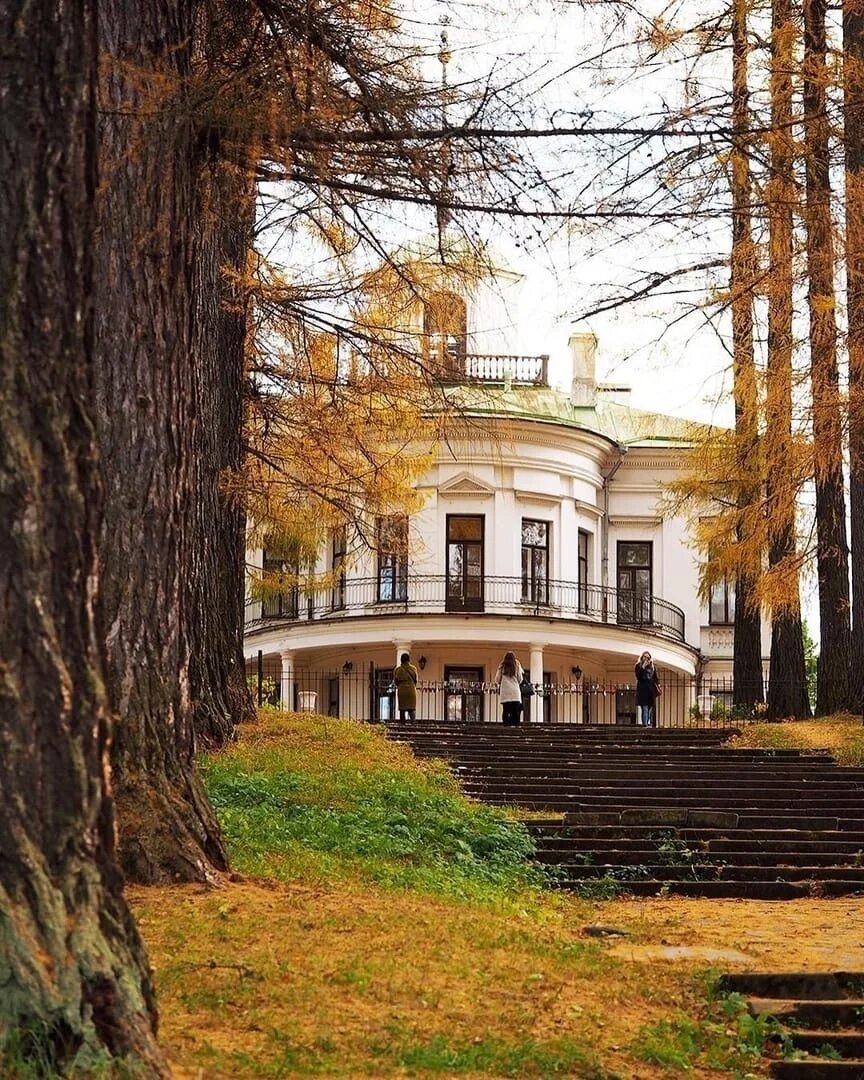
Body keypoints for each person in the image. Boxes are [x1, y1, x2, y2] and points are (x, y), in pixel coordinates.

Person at [495, 651, 525, 726]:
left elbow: (497, 680)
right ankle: (515, 728)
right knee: (515, 712)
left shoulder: (502, 666)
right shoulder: (517, 665)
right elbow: (520, 679)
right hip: (515, 692)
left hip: (505, 693)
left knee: (506, 711)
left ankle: (506, 727)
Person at [634, 650, 661, 727]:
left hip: (650, 689)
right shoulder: (638, 666)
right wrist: (643, 667)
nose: (646, 659)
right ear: (642, 657)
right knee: (644, 707)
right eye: (645, 657)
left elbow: (655, 677)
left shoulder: (652, 667)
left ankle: (647, 723)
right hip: (642, 689)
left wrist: (658, 685)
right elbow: (638, 676)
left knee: (649, 708)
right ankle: (645, 725)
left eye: (648, 657)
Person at [394, 652, 418, 721]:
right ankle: (413, 724)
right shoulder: (413, 668)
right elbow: (416, 680)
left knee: (402, 709)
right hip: (411, 689)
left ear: (401, 660)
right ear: (409, 660)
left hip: (402, 690)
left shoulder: (397, 669)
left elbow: (396, 681)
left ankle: (402, 725)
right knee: (411, 709)